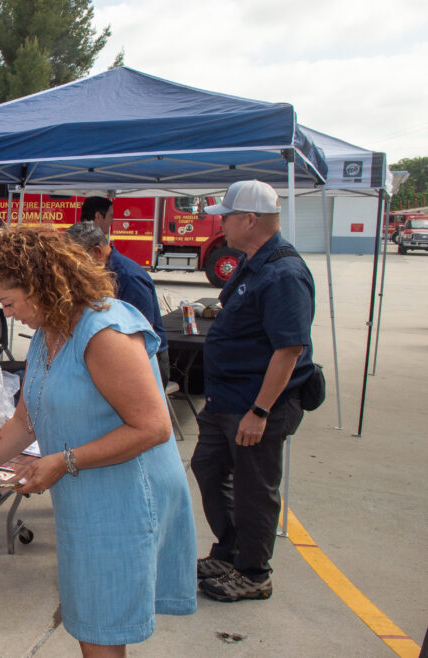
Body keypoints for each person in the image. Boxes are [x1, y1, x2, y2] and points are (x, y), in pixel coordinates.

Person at [0, 228, 196, 656]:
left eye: (9, 303)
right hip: (89, 492)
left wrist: (62, 461)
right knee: (92, 622)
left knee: (100, 627)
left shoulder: (104, 331)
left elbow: (153, 428)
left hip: (125, 496)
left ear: (39, 285)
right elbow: (26, 419)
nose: (9, 314)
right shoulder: (47, 332)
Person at [191, 179, 316, 602]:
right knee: (208, 468)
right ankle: (230, 550)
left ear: (249, 219)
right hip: (226, 401)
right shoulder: (252, 260)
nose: (220, 225)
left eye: (225, 217)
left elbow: (290, 349)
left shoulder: (283, 272)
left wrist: (260, 411)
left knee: (254, 490)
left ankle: (254, 571)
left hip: (256, 404)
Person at [65, 220, 171, 383]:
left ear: (97, 252)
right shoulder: (102, 271)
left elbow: (142, 333)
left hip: (145, 363)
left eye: (77, 260)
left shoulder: (129, 278)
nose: (74, 267)